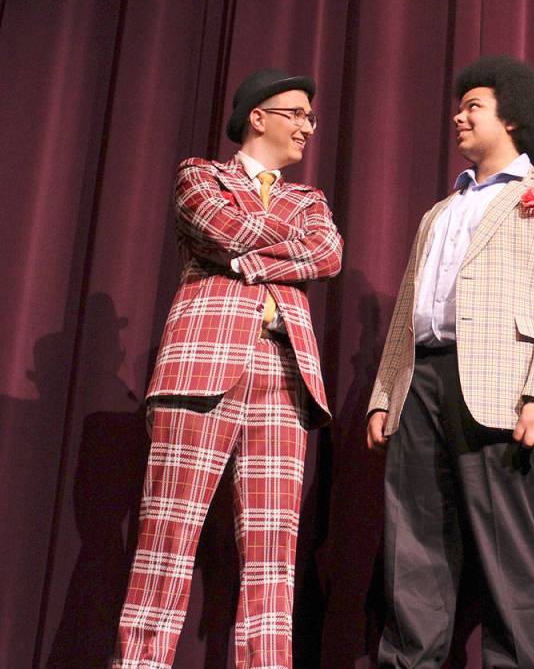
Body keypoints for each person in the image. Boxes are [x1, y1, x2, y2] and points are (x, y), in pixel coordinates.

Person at [366, 55, 534, 668]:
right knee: (413, 547)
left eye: (474, 106)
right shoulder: (440, 211)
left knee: (511, 553)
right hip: (423, 383)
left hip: (505, 389)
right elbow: (410, 305)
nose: (459, 117)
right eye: (460, 106)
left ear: (512, 117)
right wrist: (386, 393)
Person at [114, 68, 343, 668]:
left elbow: (328, 254)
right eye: (296, 113)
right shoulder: (200, 175)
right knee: (166, 544)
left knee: (273, 557)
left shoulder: (309, 200)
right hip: (200, 370)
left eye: (311, 117)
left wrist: (246, 260)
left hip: (285, 376)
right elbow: (222, 227)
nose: (307, 126)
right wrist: (284, 249)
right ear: (258, 117)